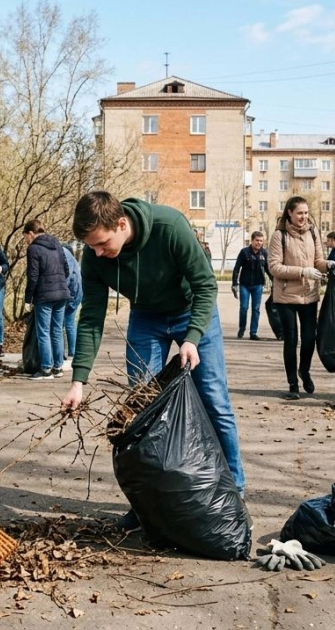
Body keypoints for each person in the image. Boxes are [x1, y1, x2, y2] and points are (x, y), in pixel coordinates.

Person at [61, 191, 246, 518]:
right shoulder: (95, 255)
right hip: (146, 318)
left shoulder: (169, 226)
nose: (97, 253)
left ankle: (235, 490)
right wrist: (78, 381)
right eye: (91, 246)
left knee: (214, 399)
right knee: (142, 410)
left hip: (193, 312)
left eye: (102, 244)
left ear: (121, 224)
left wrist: (192, 337)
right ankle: (148, 500)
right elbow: (91, 317)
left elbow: (205, 285)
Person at [267, 197, 335, 400]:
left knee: (309, 339)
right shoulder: (279, 236)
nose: (303, 217)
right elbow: (274, 267)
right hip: (286, 296)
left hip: (309, 295)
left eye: (306, 213)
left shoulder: (313, 232)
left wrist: (330, 265)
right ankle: (293, 385)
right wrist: (303, 272)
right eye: (299, 213)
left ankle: (304, 371)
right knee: (291, 340)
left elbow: (318, 261)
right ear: (289, 212)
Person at [23, 219, 70, 380]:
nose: (26, 241)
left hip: (44, 295)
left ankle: (45, 369)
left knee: (43, 332)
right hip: (62, 293)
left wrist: (28, 299)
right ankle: (58, 367)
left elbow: (33, 276)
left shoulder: (33, 248)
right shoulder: (56, 243)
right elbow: (66, 269)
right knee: (56, 330)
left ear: (31, 233)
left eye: (25, 237)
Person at [231, 231, 270, 340]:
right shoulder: (244, 252)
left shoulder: (264, 253)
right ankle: (242, 329)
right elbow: (237, 268)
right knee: (244, 308)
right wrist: (235, 283)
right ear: (252, 240)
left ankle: (253, 332)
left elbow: (268, 269)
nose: (259, 243)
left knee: (256, 309)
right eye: (257, 240)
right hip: (245, 285)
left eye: (261, 241)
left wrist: (275, 282)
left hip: (258, 285)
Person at [60, 243, 82, 371]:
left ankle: (62, 354)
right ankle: (72, 353)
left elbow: (67, 279)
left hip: (69, 294)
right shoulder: (75, 262)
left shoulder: (66, 259)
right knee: (70, 324)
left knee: (62, 325)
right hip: (77, 293)